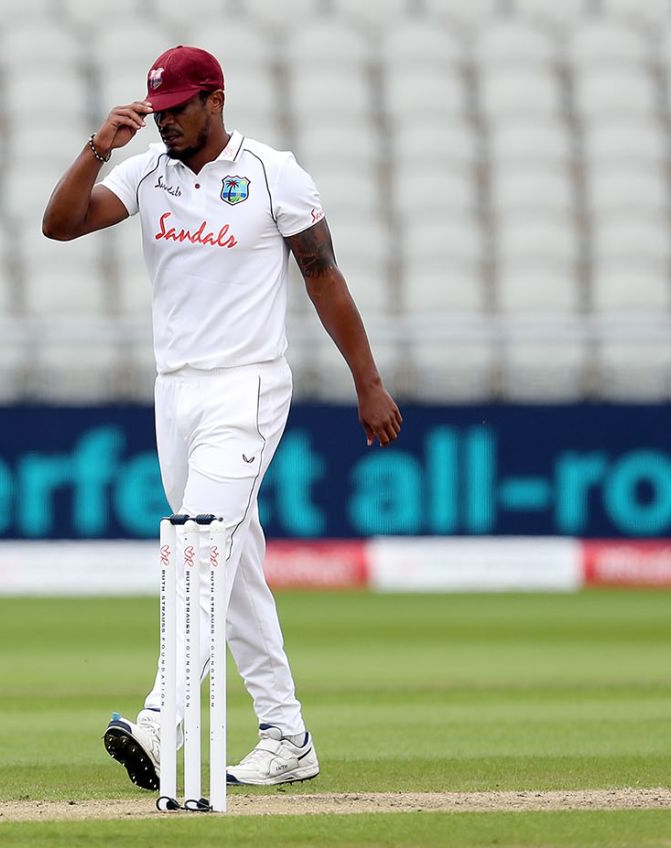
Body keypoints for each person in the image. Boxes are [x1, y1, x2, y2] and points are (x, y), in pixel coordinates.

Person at [42, 45, 402, 789]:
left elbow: (324, 278)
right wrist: (95, 147)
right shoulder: (146, 172)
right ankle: (286, 736)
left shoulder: (273, 173)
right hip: (175, 392)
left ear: (216, 99)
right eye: (158, 110)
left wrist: (368, 382)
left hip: (248, 388)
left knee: (198, 552)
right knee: (232, 573)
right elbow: (61, 225)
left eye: (178, 108)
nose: (166, 122)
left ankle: (157, 720)